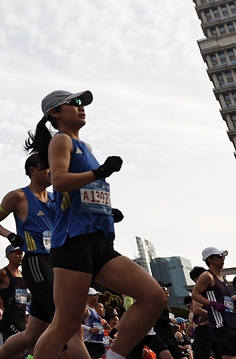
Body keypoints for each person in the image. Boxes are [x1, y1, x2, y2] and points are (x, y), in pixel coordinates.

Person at [26, 90, 165, 359]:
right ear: (55, 113)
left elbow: (80, 194)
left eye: (83, 104)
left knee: (154, 297)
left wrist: (106, 211)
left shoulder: (85, 148)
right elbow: (60, 181)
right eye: (74, 103)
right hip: (73, 242)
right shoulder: (61, 141)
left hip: (98, 240)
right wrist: (101, 171)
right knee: (66, 325)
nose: (81, 108)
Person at [0, 155, 90, 359]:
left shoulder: (55, 198)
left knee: (31, 335)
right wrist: (10, 235)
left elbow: (76, 216)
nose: (53, 173)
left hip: (56, 263)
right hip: (36, 262)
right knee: (69, 324)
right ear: (33, 170)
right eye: (48, 169)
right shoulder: (18, 196)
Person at [190, 249, 236, 359]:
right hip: (220, 325)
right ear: (209, 259)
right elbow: (195, 295)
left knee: (227, 356)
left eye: (223, 256)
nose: (222, 259)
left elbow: (224, 302)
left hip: (229, 322)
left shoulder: (223, 279)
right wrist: (212, 304)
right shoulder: (207, 276)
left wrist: (235, 302)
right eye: (219, 256)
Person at [82, 291, 107, 359]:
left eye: (97, 296)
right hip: (90, 343)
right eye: (94, 295)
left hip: (100, 343)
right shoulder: (85, 309)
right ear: (87, 297)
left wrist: (103, 327)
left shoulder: (95, 311)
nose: (97, 297)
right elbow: (77, 324)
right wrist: (90, 329)